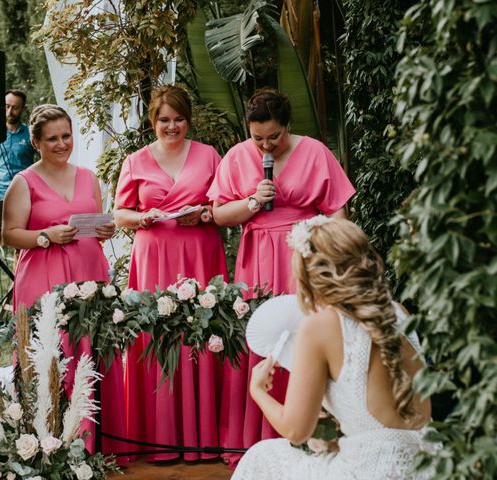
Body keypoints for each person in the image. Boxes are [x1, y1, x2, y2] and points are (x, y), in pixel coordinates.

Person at [207, 88, 356, 465]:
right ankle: (255, 435)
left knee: (305, 335)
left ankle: (312, 432)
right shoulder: (238, 156)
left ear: (288, 125)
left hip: (303, 257)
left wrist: (332, 256)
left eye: (275, 136)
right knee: (261, 336)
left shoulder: (316, 152)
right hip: (256, 256)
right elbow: (220, 214)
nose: (266, 145)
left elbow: (338, 209)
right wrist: (254, 201)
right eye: (258, 138)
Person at [232, 216, 434, 479]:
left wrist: (257, 389)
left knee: (261, 457)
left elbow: (296, 430)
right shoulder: (398, 312)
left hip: (372, 470)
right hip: (427, 463)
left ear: (309, 275)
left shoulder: (318, 327)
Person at [2, 104, 126, 459]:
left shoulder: (88, 177)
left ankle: (100, 442)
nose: (61, 144)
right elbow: (9, 234)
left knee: (91, 348)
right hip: (43, 278)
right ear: (36, 142)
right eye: (52, 138)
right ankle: (49, 441)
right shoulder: (23, 182)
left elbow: (100, 224)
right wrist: (46, 235)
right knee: (53, 352)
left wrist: (106, 228)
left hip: (89, 275)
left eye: (66, 136)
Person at [114, 84, 228, 461]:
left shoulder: (210, 155)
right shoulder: (135, 160)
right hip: (155, 254)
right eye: (164, 119)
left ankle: (204, 435)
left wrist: (206, 212)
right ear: (153, 121)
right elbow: (120, 214)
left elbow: (224, 201)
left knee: (203, 329)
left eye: (179, 119)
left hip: (199, 251)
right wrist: (142, 217)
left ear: (188, 120)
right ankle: (158, 435)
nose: (172, 126)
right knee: (158, 334)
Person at [0, 89, 36, 299]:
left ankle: (18, 286)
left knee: (19, 241)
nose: (9, 111)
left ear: (22, 108)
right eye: (6, 106)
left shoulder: (28, 133)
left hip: (22, 197)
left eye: (14, 107)